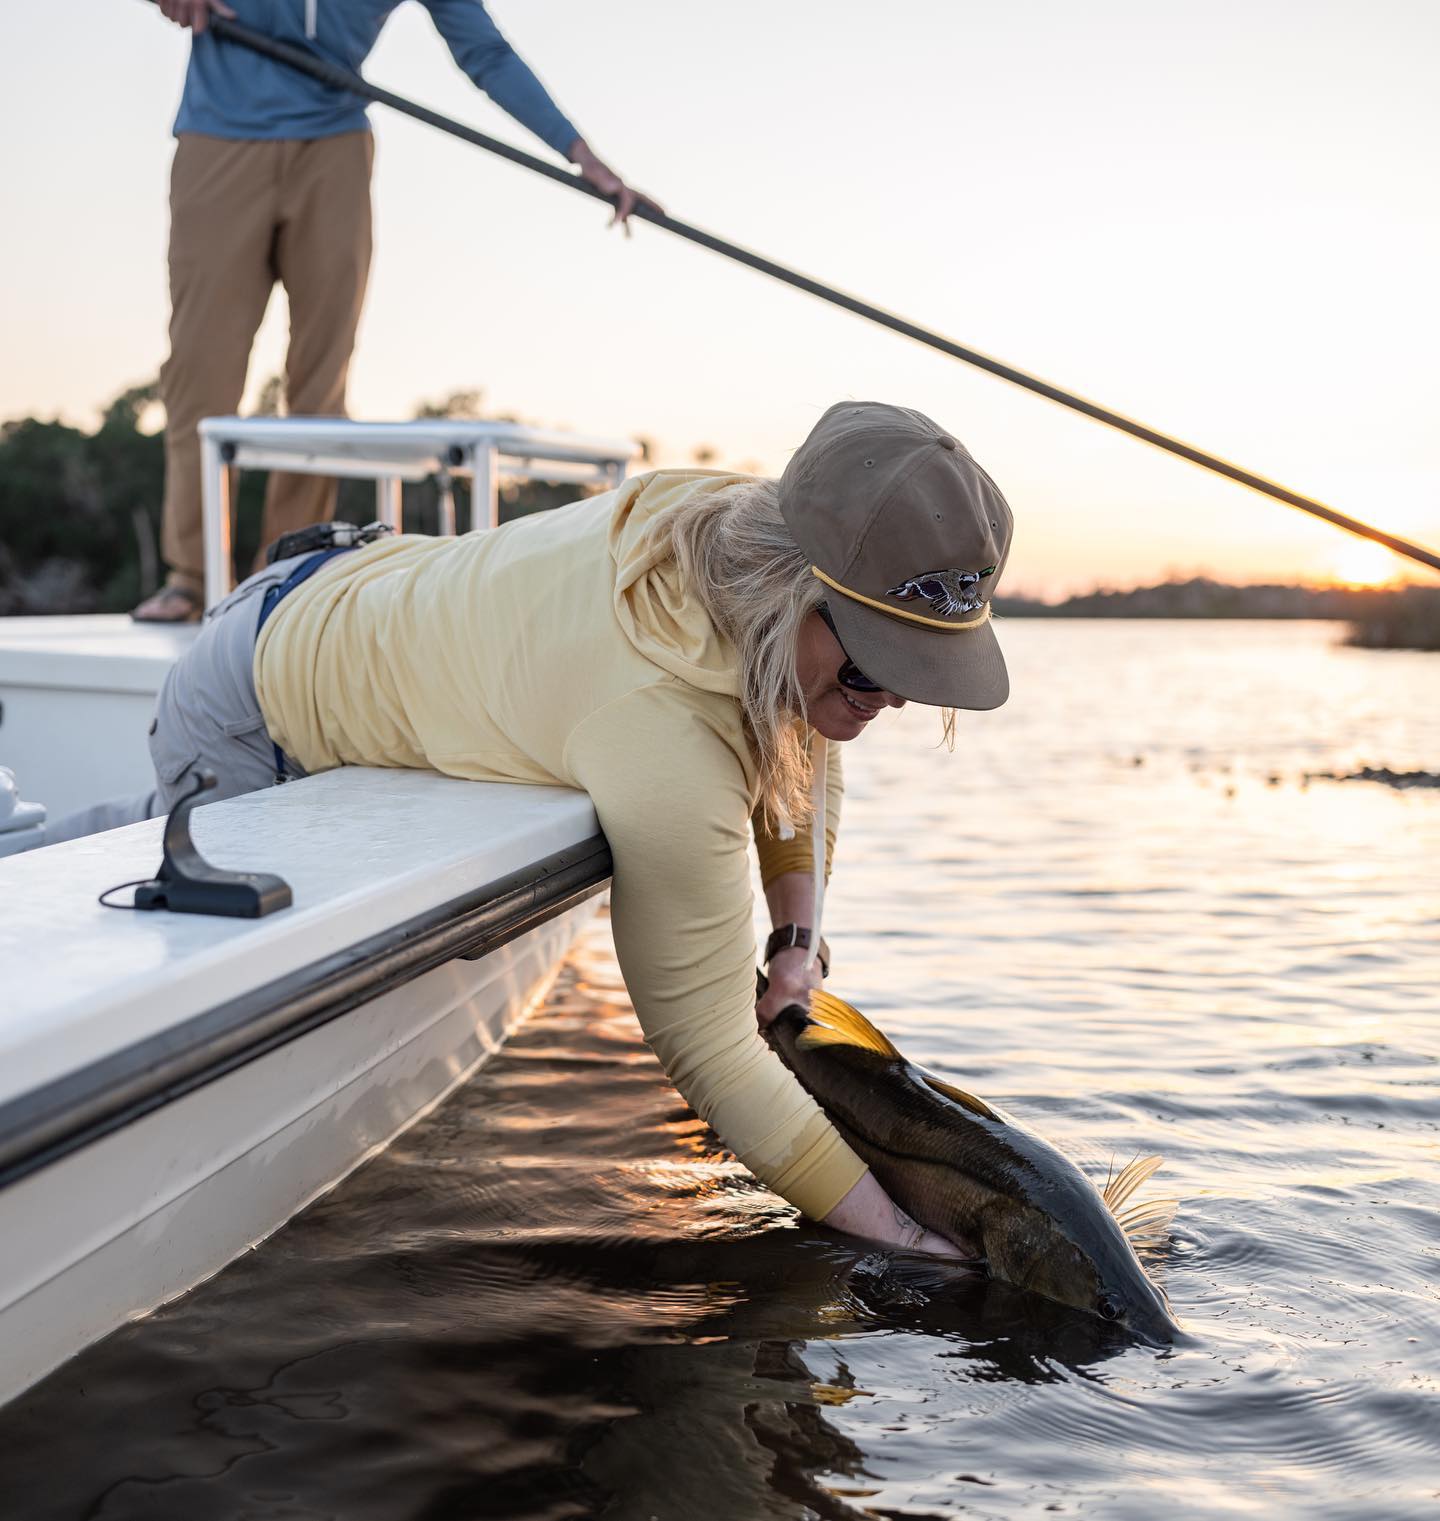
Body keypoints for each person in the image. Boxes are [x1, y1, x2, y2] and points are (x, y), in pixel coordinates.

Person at [68, 400, 1015, 1256]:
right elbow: (711, 1051)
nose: (885, 699)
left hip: (342, 580)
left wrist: (797, 942)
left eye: (912, 676)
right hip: (251, 701)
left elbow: (809, 732)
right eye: (870, 672)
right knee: (101, 880)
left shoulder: (725, 521)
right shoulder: (658, 731)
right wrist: (906, 1238)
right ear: (786, 596)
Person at [135, 0, 650, 622]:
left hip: (335, 146)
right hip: (220, 137)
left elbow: (484, 51)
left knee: (320, 377)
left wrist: (579, 153)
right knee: (201, 371)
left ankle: (281, 579)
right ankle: (191, 578)